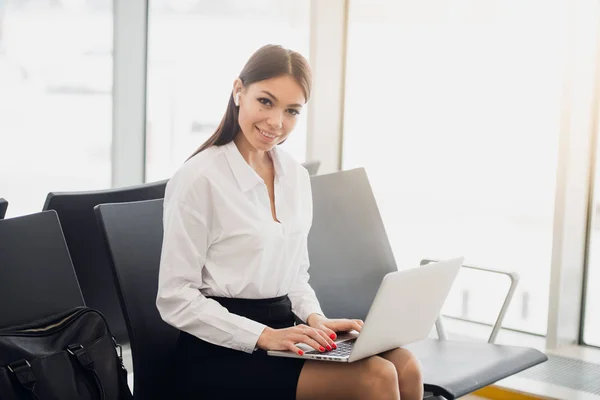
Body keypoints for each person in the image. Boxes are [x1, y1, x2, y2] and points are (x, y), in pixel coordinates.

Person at [156, 44, 423, 400]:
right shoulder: (199, 179)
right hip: (221, 350)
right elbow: (175, 298)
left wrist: (315, 319)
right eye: (266, 102)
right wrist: (265, 336)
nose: (276, 123)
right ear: (239, 92)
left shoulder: (294, 176)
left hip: (284, 332)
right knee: (374, 378)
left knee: (405, 365)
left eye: (292, 111)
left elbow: (296, 275)